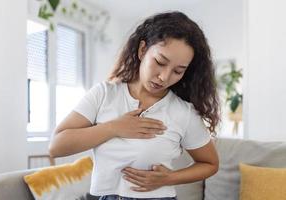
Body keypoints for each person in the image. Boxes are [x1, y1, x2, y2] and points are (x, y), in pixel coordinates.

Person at [49, 11, 220, 200]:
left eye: (178, 71)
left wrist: (169, 178)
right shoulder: (104, 94)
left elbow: (210, 164)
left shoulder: (183, 112)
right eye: (160, 62)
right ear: (142, 50)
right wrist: (114, 128)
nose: (164, 77)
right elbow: (57, 146)